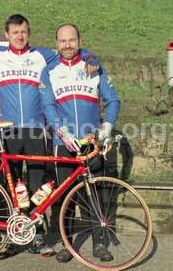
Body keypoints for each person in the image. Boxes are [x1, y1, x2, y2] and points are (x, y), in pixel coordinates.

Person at [0, 14, 100, 256]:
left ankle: (36, 235)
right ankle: (15, 234)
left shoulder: (42, 55)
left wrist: (91, 57)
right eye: (15, 32)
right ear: (6, 35)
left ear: (29, 33)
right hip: (10, 130)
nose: (19, 36)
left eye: (24, 32)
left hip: (37, 129)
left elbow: (72, 50)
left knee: (37, 184)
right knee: (13, 184)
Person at [39, 23, 121, 262]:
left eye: (72, 40)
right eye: (63, 41)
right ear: (57, 43)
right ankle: (67, 245)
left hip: (91, 141)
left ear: (79, 40)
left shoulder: (93, 65)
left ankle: (99, 243)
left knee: (95, 194)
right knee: (65, 198)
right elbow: (48, 106)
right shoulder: (50, 70)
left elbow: (113, 100)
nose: (67, 45)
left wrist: (107, 127)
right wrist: (62, 132)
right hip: (64, 142)